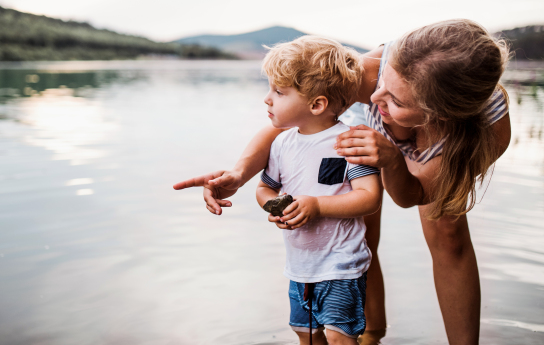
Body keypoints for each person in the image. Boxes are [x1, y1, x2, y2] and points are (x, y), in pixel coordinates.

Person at [173, 19, 512, 345]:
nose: (374, 103)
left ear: (436, 115)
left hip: (443, 151)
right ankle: (371, 334)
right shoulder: (384, 70)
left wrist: (392, 159)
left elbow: (414, 195)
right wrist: (240, 174)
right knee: (359, 229)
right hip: (380, 127)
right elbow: (294, 119)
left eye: (395, 102)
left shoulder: (483, 132)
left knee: (447, 232)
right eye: (381, 87)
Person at [256, 36, 381, 345]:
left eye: (279, 92)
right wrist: (275, 206)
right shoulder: (281, 143)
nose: (267, 99)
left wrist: (318, 205)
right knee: (307, 336)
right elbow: (264, 189)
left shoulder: (350, 141)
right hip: (300, 267)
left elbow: (369, 197)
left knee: (341, 338)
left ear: (317, 104)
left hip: (341, 265)